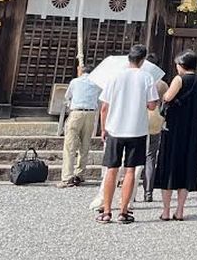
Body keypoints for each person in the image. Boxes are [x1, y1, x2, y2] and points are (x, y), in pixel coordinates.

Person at [97, 44, 158, 224]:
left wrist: (103, 128)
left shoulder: (115, 76)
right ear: (143, 60)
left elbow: (104, 107)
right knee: (130, 170)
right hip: (136, 129)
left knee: (111, 169)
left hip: (115, 127)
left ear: (128, 58)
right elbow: (152, 105)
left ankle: (106, 211)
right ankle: (123, 211)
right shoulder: (147, 77)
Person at [154, 49, 197, 221]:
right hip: (192, 131)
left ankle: (165, 210)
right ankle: (180, 210)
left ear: (181, 65)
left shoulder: (179, 79)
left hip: (175, 130)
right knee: (186, 168)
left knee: (169, 166)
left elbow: (168, 97)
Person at [59, 62, 100, 187]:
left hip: (76, 112)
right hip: (91, 114)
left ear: (82, 72)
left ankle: (67, 176)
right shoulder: (97, 84)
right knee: (85, 145)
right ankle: (80, 174)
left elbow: (67, 97)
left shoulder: (75, 82)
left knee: (70, 145)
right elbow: (99, 99)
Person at [141, 78, 169, 203]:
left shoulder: (141, 81)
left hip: (140, 118)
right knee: (151, 156)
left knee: (135, 156)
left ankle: (132, 193)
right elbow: (167, 102)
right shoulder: (162, 85)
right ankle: (148, 192)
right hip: (156, 119)